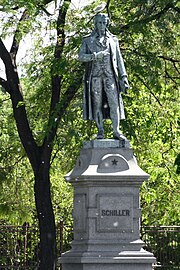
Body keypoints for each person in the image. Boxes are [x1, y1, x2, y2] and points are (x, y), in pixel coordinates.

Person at [79, 13, 129, 140]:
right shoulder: (87, 40)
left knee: (114, 103)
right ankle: (100, 130)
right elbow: (80, 57)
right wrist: (94, 56)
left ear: (107, 23)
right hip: (95, 77)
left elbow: (119, 59)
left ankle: (116, 130)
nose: (102, 25)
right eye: (99, 23)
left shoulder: (113, 40)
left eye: (104, 23)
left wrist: (123, 77)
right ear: (95, 24)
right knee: (97, 104)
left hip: (110, 76)